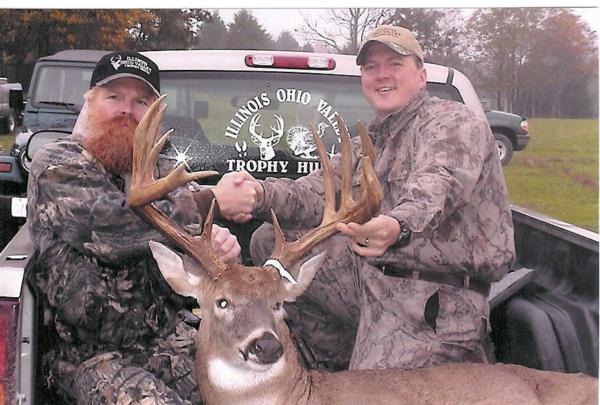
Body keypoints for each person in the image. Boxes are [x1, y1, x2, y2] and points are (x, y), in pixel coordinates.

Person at [216, 25, 516, 372]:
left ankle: (378, 369)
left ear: (421, 76)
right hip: (373, 281)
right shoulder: (369, 142)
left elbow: (440, 182)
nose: (381, 74)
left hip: (433, 300)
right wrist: (258, 193)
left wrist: (397, 225)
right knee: (269, 240)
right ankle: (333, 362)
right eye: (371, 67)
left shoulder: (452, 122)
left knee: (366, 391)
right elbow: (313, 193)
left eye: (394, 64)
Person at [26, 51, 256, 404]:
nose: (126, 109)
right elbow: (112, 230)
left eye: (140, 101)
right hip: (88, 356)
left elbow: (190, 231)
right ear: (89, 102)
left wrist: (217, 244)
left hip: (165, 338)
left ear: (154, 114)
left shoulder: (162, 171)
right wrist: (212, 200)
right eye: (114, 97)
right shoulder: (58, 163)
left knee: (252, 389)